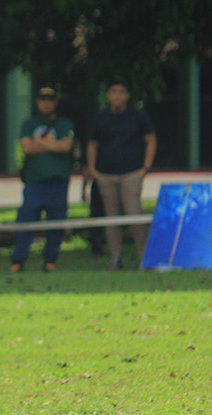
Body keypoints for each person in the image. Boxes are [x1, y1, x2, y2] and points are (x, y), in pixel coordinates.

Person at [85, 76, 157, 270]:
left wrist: (145, 167)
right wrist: (92, 169)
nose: (118, 96)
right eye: (114, 92)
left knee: (135, 214)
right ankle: (115, 258)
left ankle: (144, 258)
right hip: (106, 175)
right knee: (112, 218)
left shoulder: (138, 116)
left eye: (122, 92)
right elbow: (92, 144)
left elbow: (151, 139)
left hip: (132, 173)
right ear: (108, 95)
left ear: (127, 96)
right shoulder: (100, 117)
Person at [10, 86, 74, 273]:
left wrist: (40, 143)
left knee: (56, 222)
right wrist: (53, 144)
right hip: (34, 181)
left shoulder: (65, 123)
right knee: (26, 221)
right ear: (37, 102)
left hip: (58, 181)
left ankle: (50, 261)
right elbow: (27, 148)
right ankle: (18, 261)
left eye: (50, 100)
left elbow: (66, 146)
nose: (46, 104)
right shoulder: (29, 123)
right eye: (42, 100)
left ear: (55, 103)